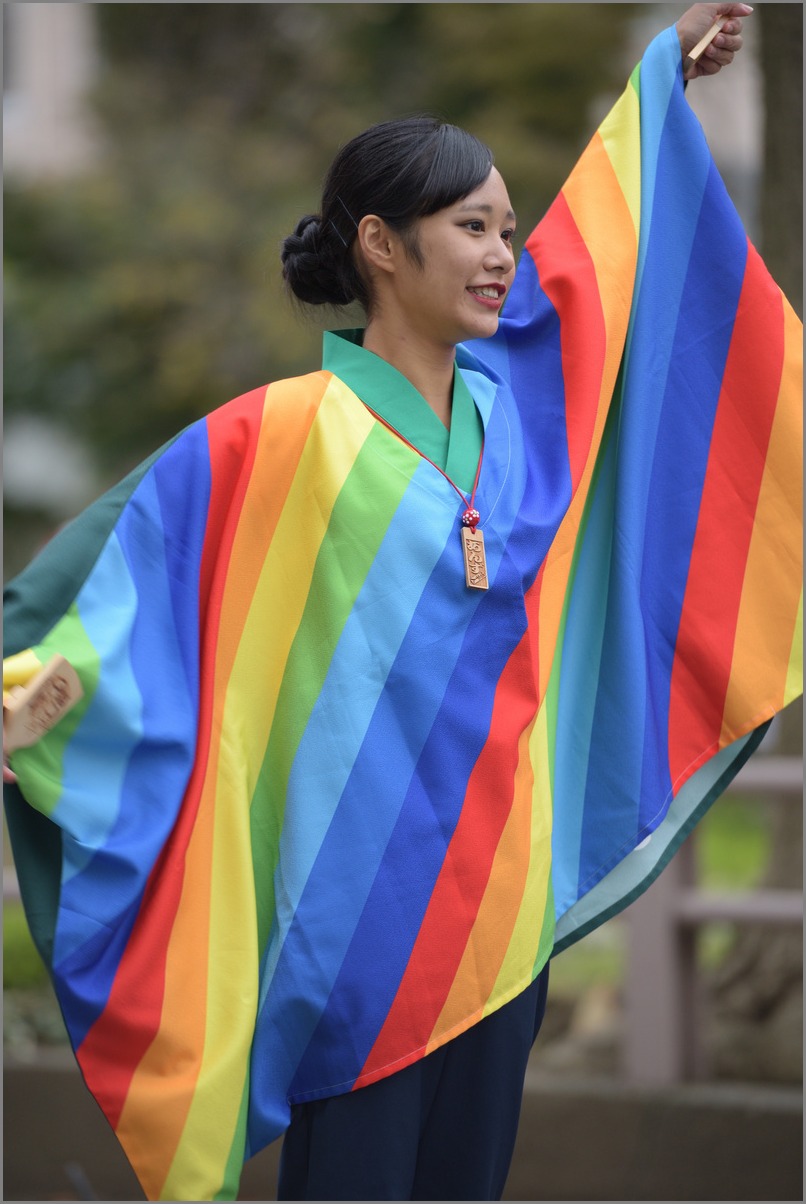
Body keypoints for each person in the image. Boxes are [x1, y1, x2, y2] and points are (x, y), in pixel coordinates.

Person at [3, 4, 801, 1201]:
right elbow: (113, 571)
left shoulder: (522, 413)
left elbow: (601, 265)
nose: (500, 254)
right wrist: (29, 685)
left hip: (501, 919)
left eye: (505, 228)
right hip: (353, 928)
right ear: (380, 244)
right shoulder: (279, 435)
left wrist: (660, 81)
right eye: (471, 227)